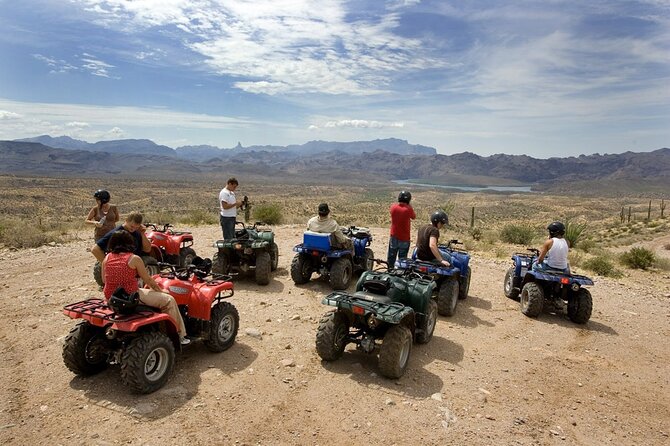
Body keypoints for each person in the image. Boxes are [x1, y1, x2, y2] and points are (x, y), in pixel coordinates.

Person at [102, 230, 190, 345]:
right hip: (130, 297)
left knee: (147, 291)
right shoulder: (134, 258)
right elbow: (148, 279)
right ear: (129, 242)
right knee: (169, 300)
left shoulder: (107, 258)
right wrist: (161, 291)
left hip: (111, 296)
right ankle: (180, 335)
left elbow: (104, 280)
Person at [387, 190, 416, 268]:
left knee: (391, 256)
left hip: (394, 236)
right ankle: (400, 273)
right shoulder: (408, 209)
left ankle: (389, 270)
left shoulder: (393, 207)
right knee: (402, 259)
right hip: (404, 238)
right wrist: (409, 205)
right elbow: (414, 217)